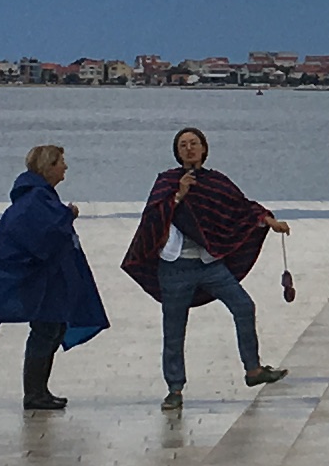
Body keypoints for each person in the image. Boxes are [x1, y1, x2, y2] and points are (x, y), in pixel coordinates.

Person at [118, 128, 293, 408]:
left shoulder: (216, 182)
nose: (189, 149)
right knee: (174, 329)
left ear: (203, 148)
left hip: (209, 264)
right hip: (174, 266)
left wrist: (269, 221)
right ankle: (174, 389)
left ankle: (253, 369)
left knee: (244, 306)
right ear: (177, 152)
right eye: (183, 145)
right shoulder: (167, 182)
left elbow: (242, 208)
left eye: (194, 144)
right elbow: (152, 217)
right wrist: (179, 194)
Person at [0, 143, 108, 410]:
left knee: (51, 329)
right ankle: (34, 393)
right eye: (61, 162)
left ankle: (40, 390)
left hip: (48, 280)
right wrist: (68, 214)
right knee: (46, 330)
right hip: (41, 282)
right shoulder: (35, 198)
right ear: (48, 166)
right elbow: (40, 235)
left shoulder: (37, 196)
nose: (65, 167)